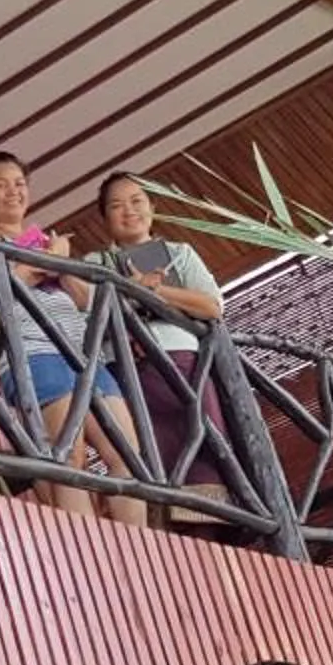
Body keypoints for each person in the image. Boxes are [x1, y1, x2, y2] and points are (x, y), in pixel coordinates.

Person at [0, 151, 144, 524]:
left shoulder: (48, 239)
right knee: (69, 456)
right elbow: (0, 289)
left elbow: (85, 300)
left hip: (81, 353)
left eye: (19, 184)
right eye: (0, 185)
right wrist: (48, 261)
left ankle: (140, 551)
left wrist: (59, 263)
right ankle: (87, 553)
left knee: (128, 455)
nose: (13, 192)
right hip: (34, 353)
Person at [94, 169, 229, 492]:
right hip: (126, 368)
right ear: (105, 219)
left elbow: (212, 307)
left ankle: (214, 524)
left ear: (152, 209)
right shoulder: (96, 263)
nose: (129, 210)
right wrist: (131, 288)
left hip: (185, 364)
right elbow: (89, 316)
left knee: (203, 444)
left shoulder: (180, 254)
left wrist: (156, 291)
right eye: (116, 205)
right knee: (149, 451)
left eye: (137, 201)